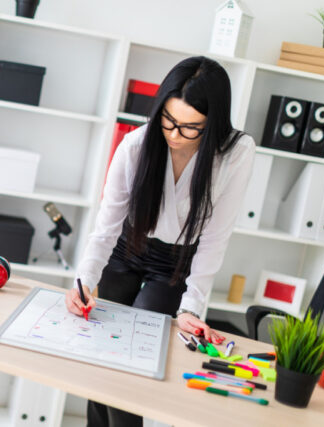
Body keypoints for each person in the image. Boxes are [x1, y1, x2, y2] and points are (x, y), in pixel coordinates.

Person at [64, 56, 255, 426]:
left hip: (175, 263)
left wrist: (191, 307)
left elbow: (216, 236)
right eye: (167, 120)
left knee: (134, 364)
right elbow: (107, 223)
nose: (173, 134)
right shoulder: (136, 145)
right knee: (100, 356)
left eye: (189, 127)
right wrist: (85, 282)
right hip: (127, 247)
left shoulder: (235, 154)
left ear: (213, 123)